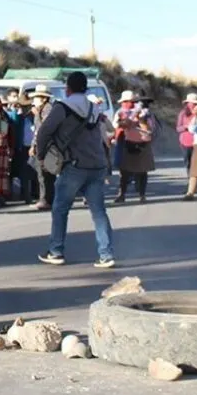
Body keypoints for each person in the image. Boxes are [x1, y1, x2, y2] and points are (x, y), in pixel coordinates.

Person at [35, 72, 115, 269]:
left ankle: (56, 251)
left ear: (68, 88)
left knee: (60, 209)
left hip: (74, 165)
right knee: (98, 212)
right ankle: (106, 255)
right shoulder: (94, 108)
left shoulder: (63, 106)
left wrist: (42, 154)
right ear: (86, 88)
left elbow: (45, 131)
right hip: (97, 164)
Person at [113, 90, 155, 203]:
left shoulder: (145, 113)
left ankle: (142, 195)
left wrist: (140, 119)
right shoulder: (120, 112)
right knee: (125, 171)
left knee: (142, 170)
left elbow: (148, 129)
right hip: (129, 142)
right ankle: (121, 194)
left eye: (130, 101)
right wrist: (130, 119)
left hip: (143, 142)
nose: (126, 104)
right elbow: (118, 125)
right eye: (125, 101)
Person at [29, 84, 56, 210]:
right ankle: (46, 198)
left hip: (46, 146)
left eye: (37, 97)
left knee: (44, 174)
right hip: (42, 145)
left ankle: (45, 199)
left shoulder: (48, 110)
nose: (34, 100)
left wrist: (35, 145)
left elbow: (43, 129)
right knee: (43, 174)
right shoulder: (41, 110)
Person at [176, 93, 197, 182]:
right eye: (191, 103)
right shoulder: (183, 113)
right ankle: (191, 182)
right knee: (188, 163)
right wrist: (186, 127)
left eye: (194, 103)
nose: (192, 105)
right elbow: (178, 128)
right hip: (185, 142)